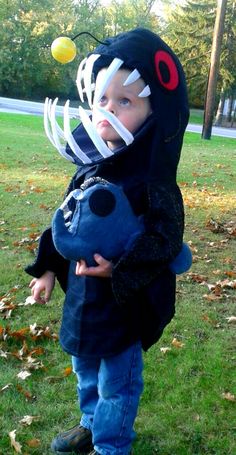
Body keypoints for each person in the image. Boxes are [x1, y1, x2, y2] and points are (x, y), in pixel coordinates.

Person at [25, 28, 189, 455]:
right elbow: (68, 220)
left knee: (117, 379)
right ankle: (89, 423)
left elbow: (165, 237)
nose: (107, 110)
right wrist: (46, 268)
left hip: (125, 306)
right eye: (102, 99)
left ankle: (111, 444)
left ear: (154, 112)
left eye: (125, 101)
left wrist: (121, 268)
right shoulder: (88, 164)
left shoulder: (151, 181)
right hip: (85, 303)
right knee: (85, 369)